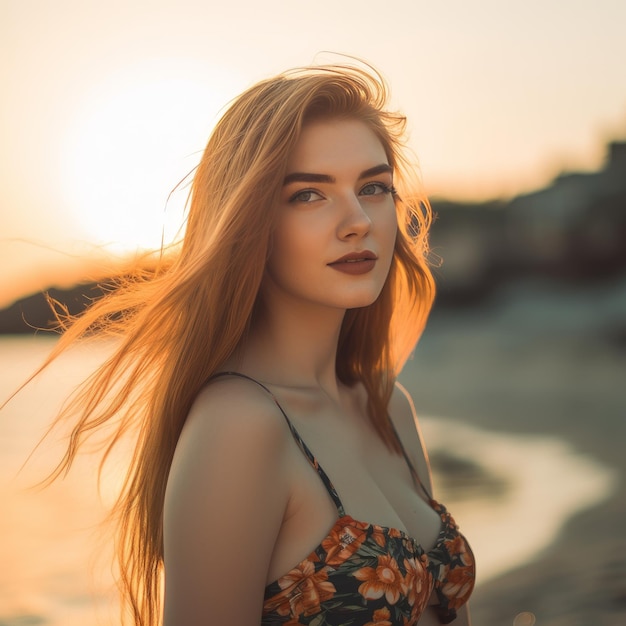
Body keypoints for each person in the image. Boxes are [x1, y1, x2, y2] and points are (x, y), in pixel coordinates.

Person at [38, 62, 475, 625]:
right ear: (249, 223)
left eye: (374, 187)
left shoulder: (387, 405)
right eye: (308, 196)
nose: (358, 220)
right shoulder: (238, 426)